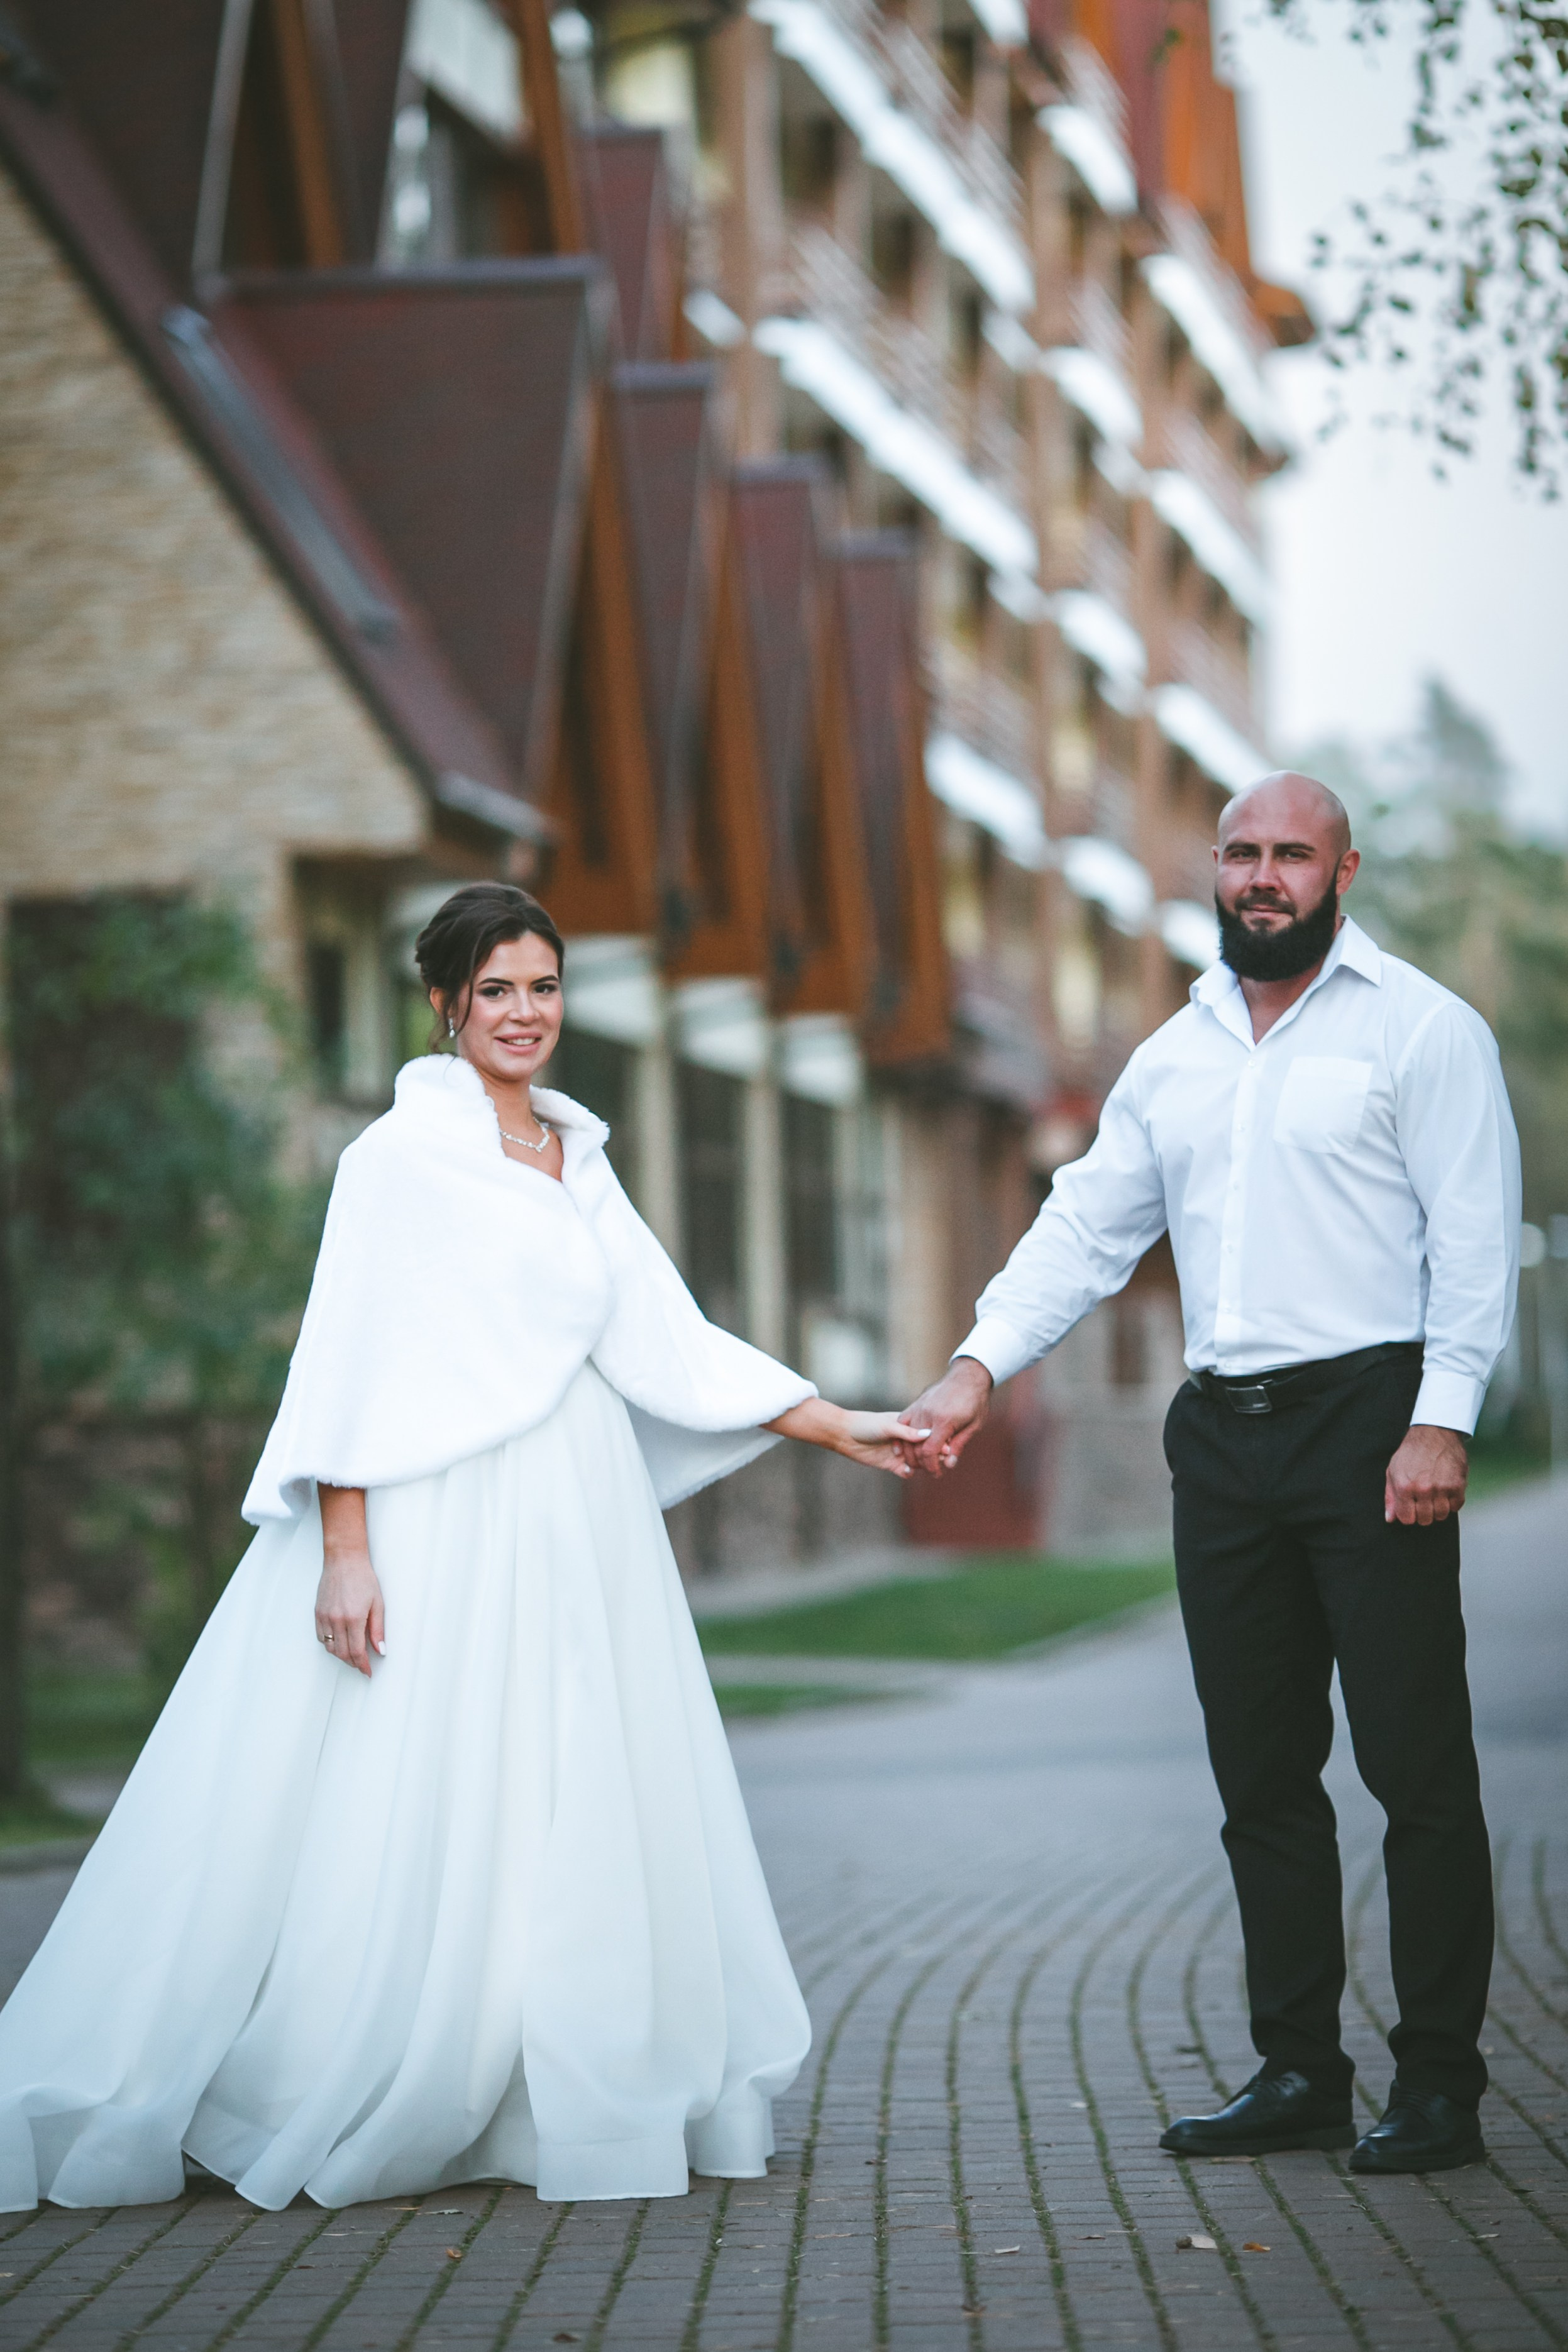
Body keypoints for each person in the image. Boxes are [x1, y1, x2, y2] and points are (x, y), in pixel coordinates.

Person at [0, 883, 924, 2213]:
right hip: (441, 1517)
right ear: (446, 1002)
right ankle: (346, 2067)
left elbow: (663, 1332)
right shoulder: (394, 1161)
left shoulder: (575, 1154)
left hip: (578, 1520)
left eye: (542, 986)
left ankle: (542, 2079)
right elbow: (346, 1358)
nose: (524, 1012)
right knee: (427, 1789)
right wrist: (346, 1548)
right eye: (496, 989)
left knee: (568, 1782)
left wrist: (838, 1423)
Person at [907, 773, 1520, 2176]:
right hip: (1222, 1440)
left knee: (1413, 1767)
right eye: (1239, 852)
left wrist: (1439, 1420)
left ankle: (1438, 2082)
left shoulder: (1420, 1030)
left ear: (1341, 870)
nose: (1260, 876)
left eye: (1288, 854)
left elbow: (1472, 1240)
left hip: (1369, 1424)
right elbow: (1081, 1230)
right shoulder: (1173, 1053)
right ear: (1213, 868)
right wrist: (972, 1367)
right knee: (1259, 1774)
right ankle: (1298, 2063)